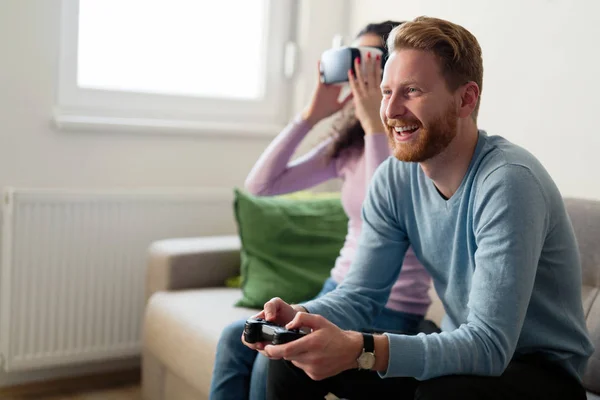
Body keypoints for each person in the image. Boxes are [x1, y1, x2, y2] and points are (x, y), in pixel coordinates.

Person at [245, 16, 595, 400]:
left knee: (440, 395)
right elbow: (361, 294)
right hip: (465, 353)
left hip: (540, 374)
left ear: (466, 99)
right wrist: (298, 317)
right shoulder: (394, 178)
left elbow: (490, 346)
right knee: (288, 357)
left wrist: (362, 349)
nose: (391, 109)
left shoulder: (509, 181)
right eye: (386, 91)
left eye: (411, 91)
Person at [209, 21, 433, 400]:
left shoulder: (418, 147)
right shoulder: (352, 146)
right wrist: (311, 115)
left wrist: (375, 125)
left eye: (367, 63)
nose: (357, 76)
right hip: (339, 293)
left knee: (279, 356)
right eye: (352, 61)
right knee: (238, 337)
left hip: (393, 308)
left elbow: (390, 202)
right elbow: (262, 185)